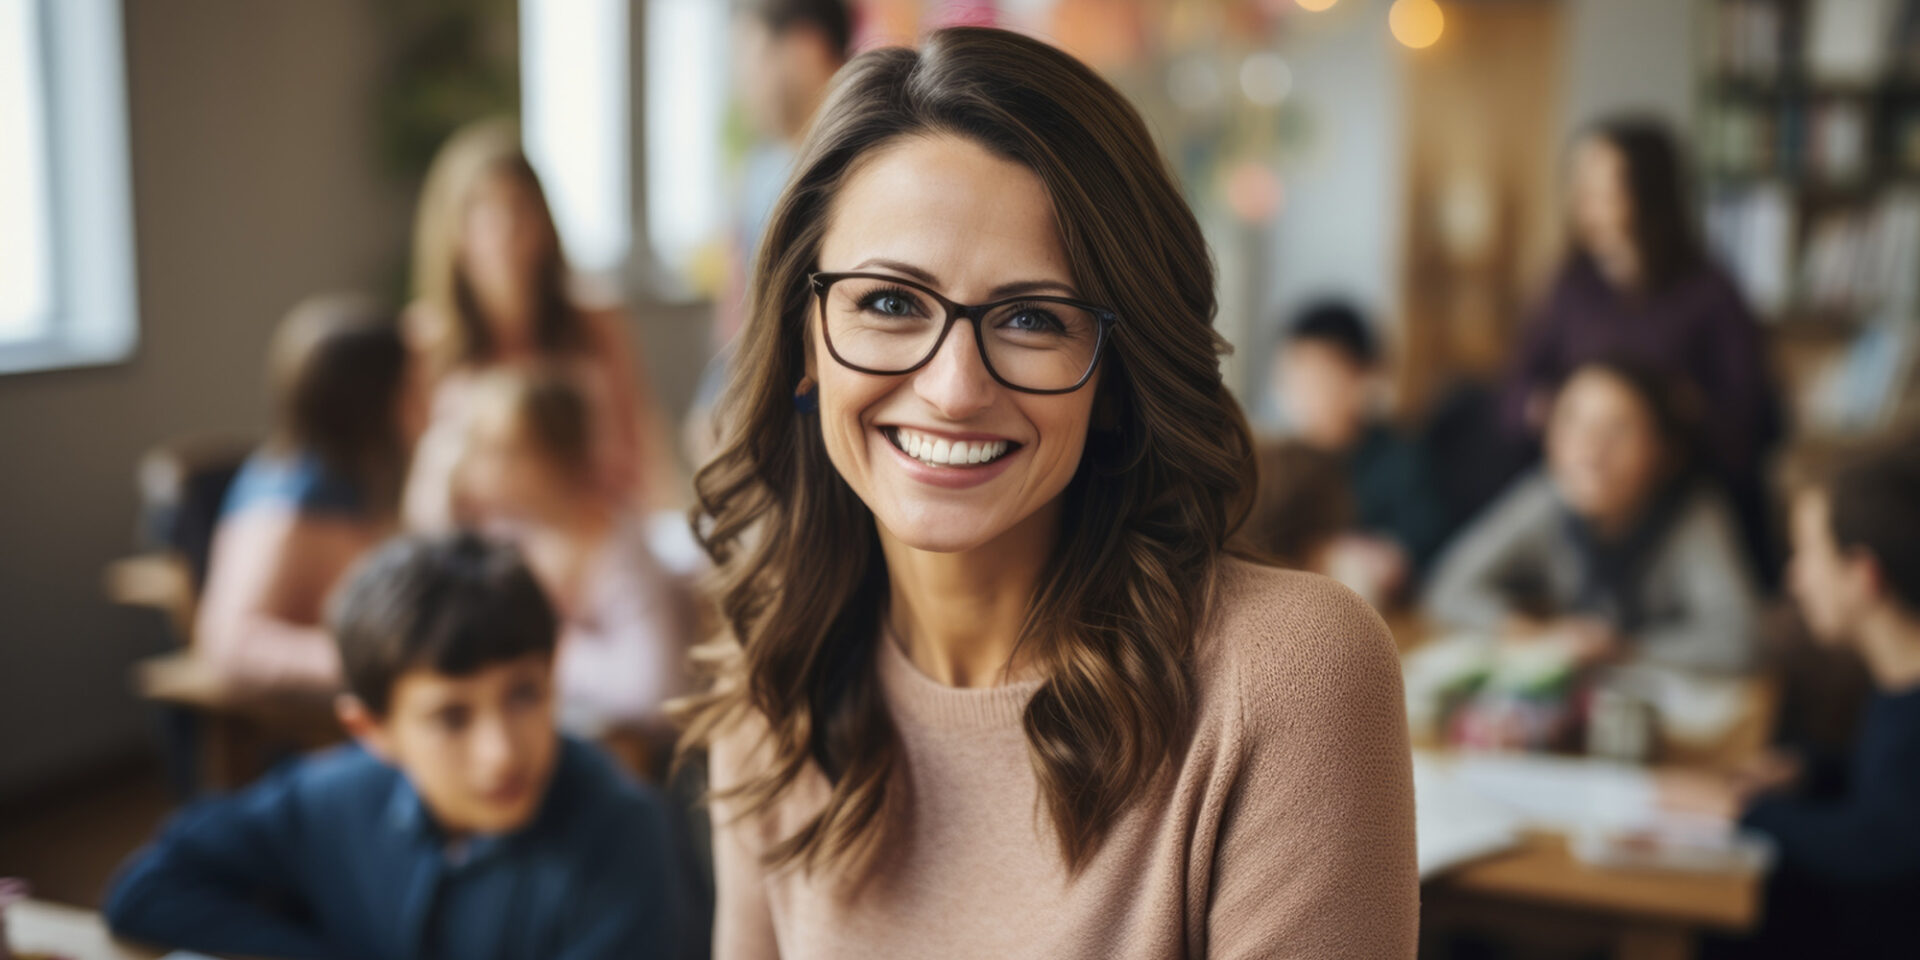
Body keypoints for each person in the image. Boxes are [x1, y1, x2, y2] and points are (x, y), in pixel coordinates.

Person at [678, 27, 1416, 959]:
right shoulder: (772, 684)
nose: (953, 387)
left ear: (1117, 377)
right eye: (891, 302)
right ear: (800, 341)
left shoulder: (1285, 676)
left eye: (1032, 318)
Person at [105, 532, 686, 960]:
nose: (502, 753)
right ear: (371, 731)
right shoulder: (332, 796)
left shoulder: (622, 833)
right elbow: (145, 888)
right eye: (451, 718)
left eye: (525, 695)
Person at [1659, 439, 1920, 958]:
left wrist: (1744, 813)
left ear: (1864, 576)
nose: (1795, 579)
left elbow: (1884, 845)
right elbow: (1896, 796)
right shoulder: (1898, 682)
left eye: (1808, 554)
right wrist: (1812, 772)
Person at [1503, 115, 1782, 574]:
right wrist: (1552, 409)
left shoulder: (1710, 291)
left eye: (1602, 188)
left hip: (1672, 489)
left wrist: (1680, 409)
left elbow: (1748, 416)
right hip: (1582, 481)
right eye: (1580, 185)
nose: (1584, 201)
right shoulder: (1570, 285)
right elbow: (1515, 389)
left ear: (1646, 192)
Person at [403, 118, 679, 526]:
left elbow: (642, 453)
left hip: (591, 534)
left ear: (544, 222)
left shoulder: (594, 321)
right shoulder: (425, 342)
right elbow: (419, 493)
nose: (504, 228)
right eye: (481, 209)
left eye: (518, 206)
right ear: (452, 229)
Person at [1424, 359, 1760, 673]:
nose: (1590, 446)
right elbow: (1447, 587)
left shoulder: (1694, 513)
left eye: (1619, 428)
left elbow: (1743, 640)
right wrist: (1535, 634)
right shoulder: (1547, 497)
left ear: (1663, 450)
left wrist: (1625, 649)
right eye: (1573, 421)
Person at [194, 295, 424, 689]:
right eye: (413, 387)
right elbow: (232, 642)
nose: (429, 400)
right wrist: (375, 664)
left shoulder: (368, 481)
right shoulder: (290, 503)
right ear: (372, 403)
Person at [454, 365, 695, 738]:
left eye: (506, 451)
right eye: (478, 448)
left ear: (562, 455)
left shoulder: (619, 551)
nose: (479, 467)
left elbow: (652, 690)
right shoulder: (507, 535)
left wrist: (551, 649)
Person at [686, 0, 855, 468]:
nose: (741, 81)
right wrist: (716, 400)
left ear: (804, 48)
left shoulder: (865, 168)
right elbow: (738, 319)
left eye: (749, 55)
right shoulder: (756, 173)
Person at [1271, 300, 1449, 594]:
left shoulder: (1400, 459)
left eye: (1320, 377)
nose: (1303, 395)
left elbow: (1423, 547)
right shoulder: (1276, 465)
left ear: (1364, 377)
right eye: (1293, 377)